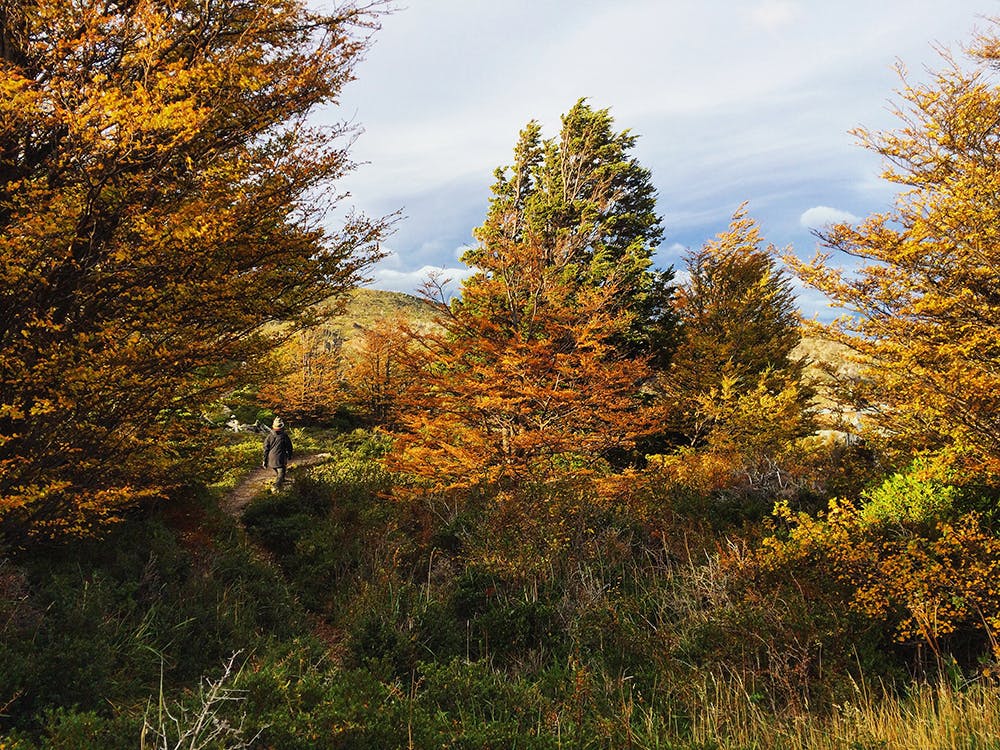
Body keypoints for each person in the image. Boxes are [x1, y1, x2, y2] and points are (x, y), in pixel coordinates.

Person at [262, 416, 293, 492]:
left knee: (280, 472)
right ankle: (275, 487)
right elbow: (289, 447)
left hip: (271, 459)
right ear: (282, 426)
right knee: (281, 474)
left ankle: (281, 481)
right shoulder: (284, 436)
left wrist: (264, 461)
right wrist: (289, 455)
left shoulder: (269, 436)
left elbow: (266, 449)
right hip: (280, 458)